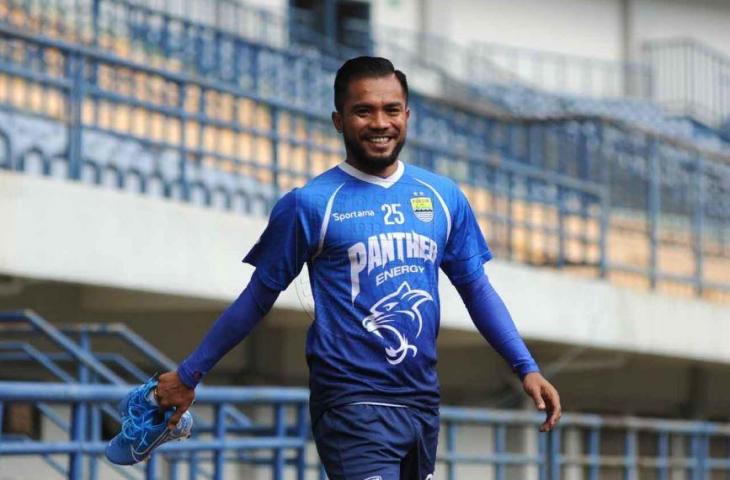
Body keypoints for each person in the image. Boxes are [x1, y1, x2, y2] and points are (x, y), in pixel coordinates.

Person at [156, 56, 561, 479]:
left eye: (391, 110)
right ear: (338, 119)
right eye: (363, 111)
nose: (379, 123)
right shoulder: (310, 204)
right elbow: (258, 296)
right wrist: (189, 374)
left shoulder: (443, 197)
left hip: (421, 402)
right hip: (351, 403)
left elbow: (476, 288)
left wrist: (526, 367)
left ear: (407, 115)